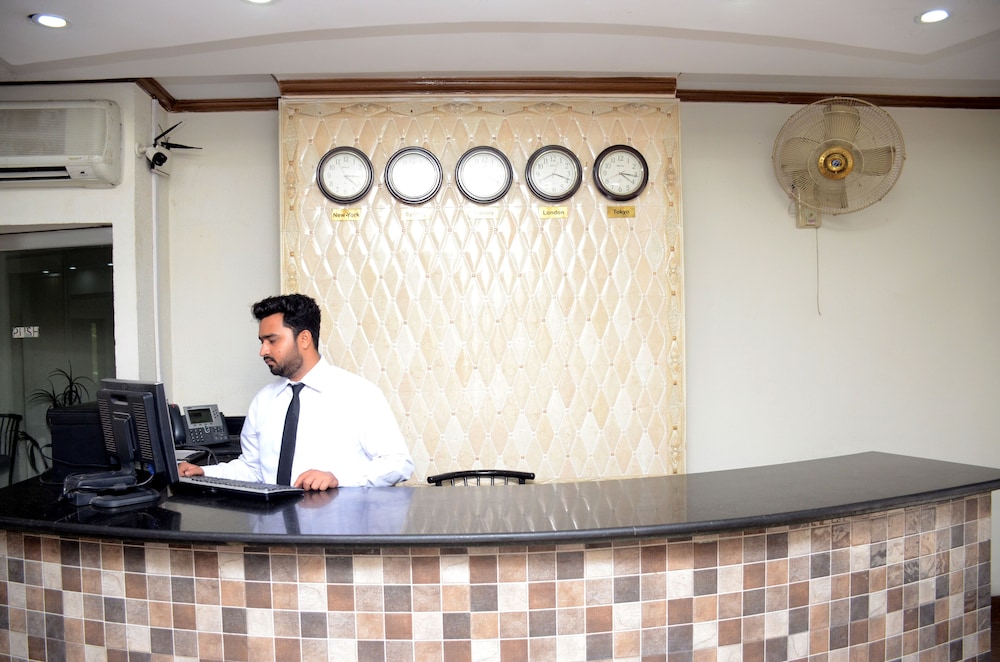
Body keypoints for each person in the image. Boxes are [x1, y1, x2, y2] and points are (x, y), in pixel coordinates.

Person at [177, 293, 413, 490]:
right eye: (261, 341)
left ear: (304, 339)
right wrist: (204, 472)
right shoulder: (263, 401)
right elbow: (253, 469)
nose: (262, 351)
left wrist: (338, 478)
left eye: (272, 341)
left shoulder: (359, 394)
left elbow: (398, 463)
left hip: (334, 526)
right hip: (272, 526)